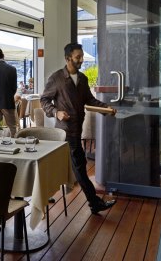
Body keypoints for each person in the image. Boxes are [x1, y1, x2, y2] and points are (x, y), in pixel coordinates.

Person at [40, 43, 117, 214]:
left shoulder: (82, 79)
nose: (82, 60)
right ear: (68, 58)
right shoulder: (56, 78)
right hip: (65, 132)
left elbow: (90, 100)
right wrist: (56, 112)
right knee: (80, 167)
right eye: (78, 57)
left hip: (77, 129)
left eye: (82, 56)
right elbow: (44, 101)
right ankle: (94, 203)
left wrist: (106, 108)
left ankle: (43, 196)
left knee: (73, 167)